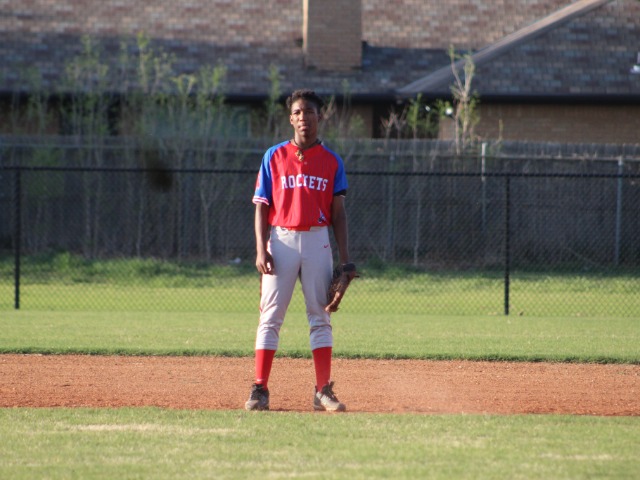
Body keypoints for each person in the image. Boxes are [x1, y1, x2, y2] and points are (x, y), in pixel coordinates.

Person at [246, 89, 352, 412]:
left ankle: (323, 391)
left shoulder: (332, 161)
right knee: (270, 316)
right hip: (281, 239)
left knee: (320, 315)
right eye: (297, 112)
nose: (303, 117)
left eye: (309, 112)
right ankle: (260, 388)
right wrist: (261, 249)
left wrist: (346, 261)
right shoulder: (274, 156)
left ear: (319, 117)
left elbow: (338, 214)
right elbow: (262, 206)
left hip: (318, 239)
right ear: (291, 119)